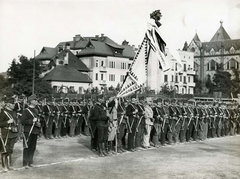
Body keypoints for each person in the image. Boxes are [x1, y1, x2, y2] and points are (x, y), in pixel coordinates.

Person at [21, 94, 41, 169]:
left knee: (33, 147)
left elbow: (38, 120)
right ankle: (25, 163)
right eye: (35, 100)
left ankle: (30, 162)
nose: (36, 101)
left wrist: (38, 122)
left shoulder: (36, 110)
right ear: (31, 101)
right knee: (27, 147)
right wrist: (31, 121)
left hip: (35, 131)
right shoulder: (26, 111)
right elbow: (22, 121)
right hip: (28, 131)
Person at [0, 97, 18, 172]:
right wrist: (7, 122)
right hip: (5, 133)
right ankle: (4, 167)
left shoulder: (13, 113)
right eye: (12, 104)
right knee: (5, 150)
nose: (13, 105)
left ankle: (9, 165)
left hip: (13, 133)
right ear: (7, 104)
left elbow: (16, 124)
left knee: (10, 150)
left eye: (14, 103)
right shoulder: (3, 113)